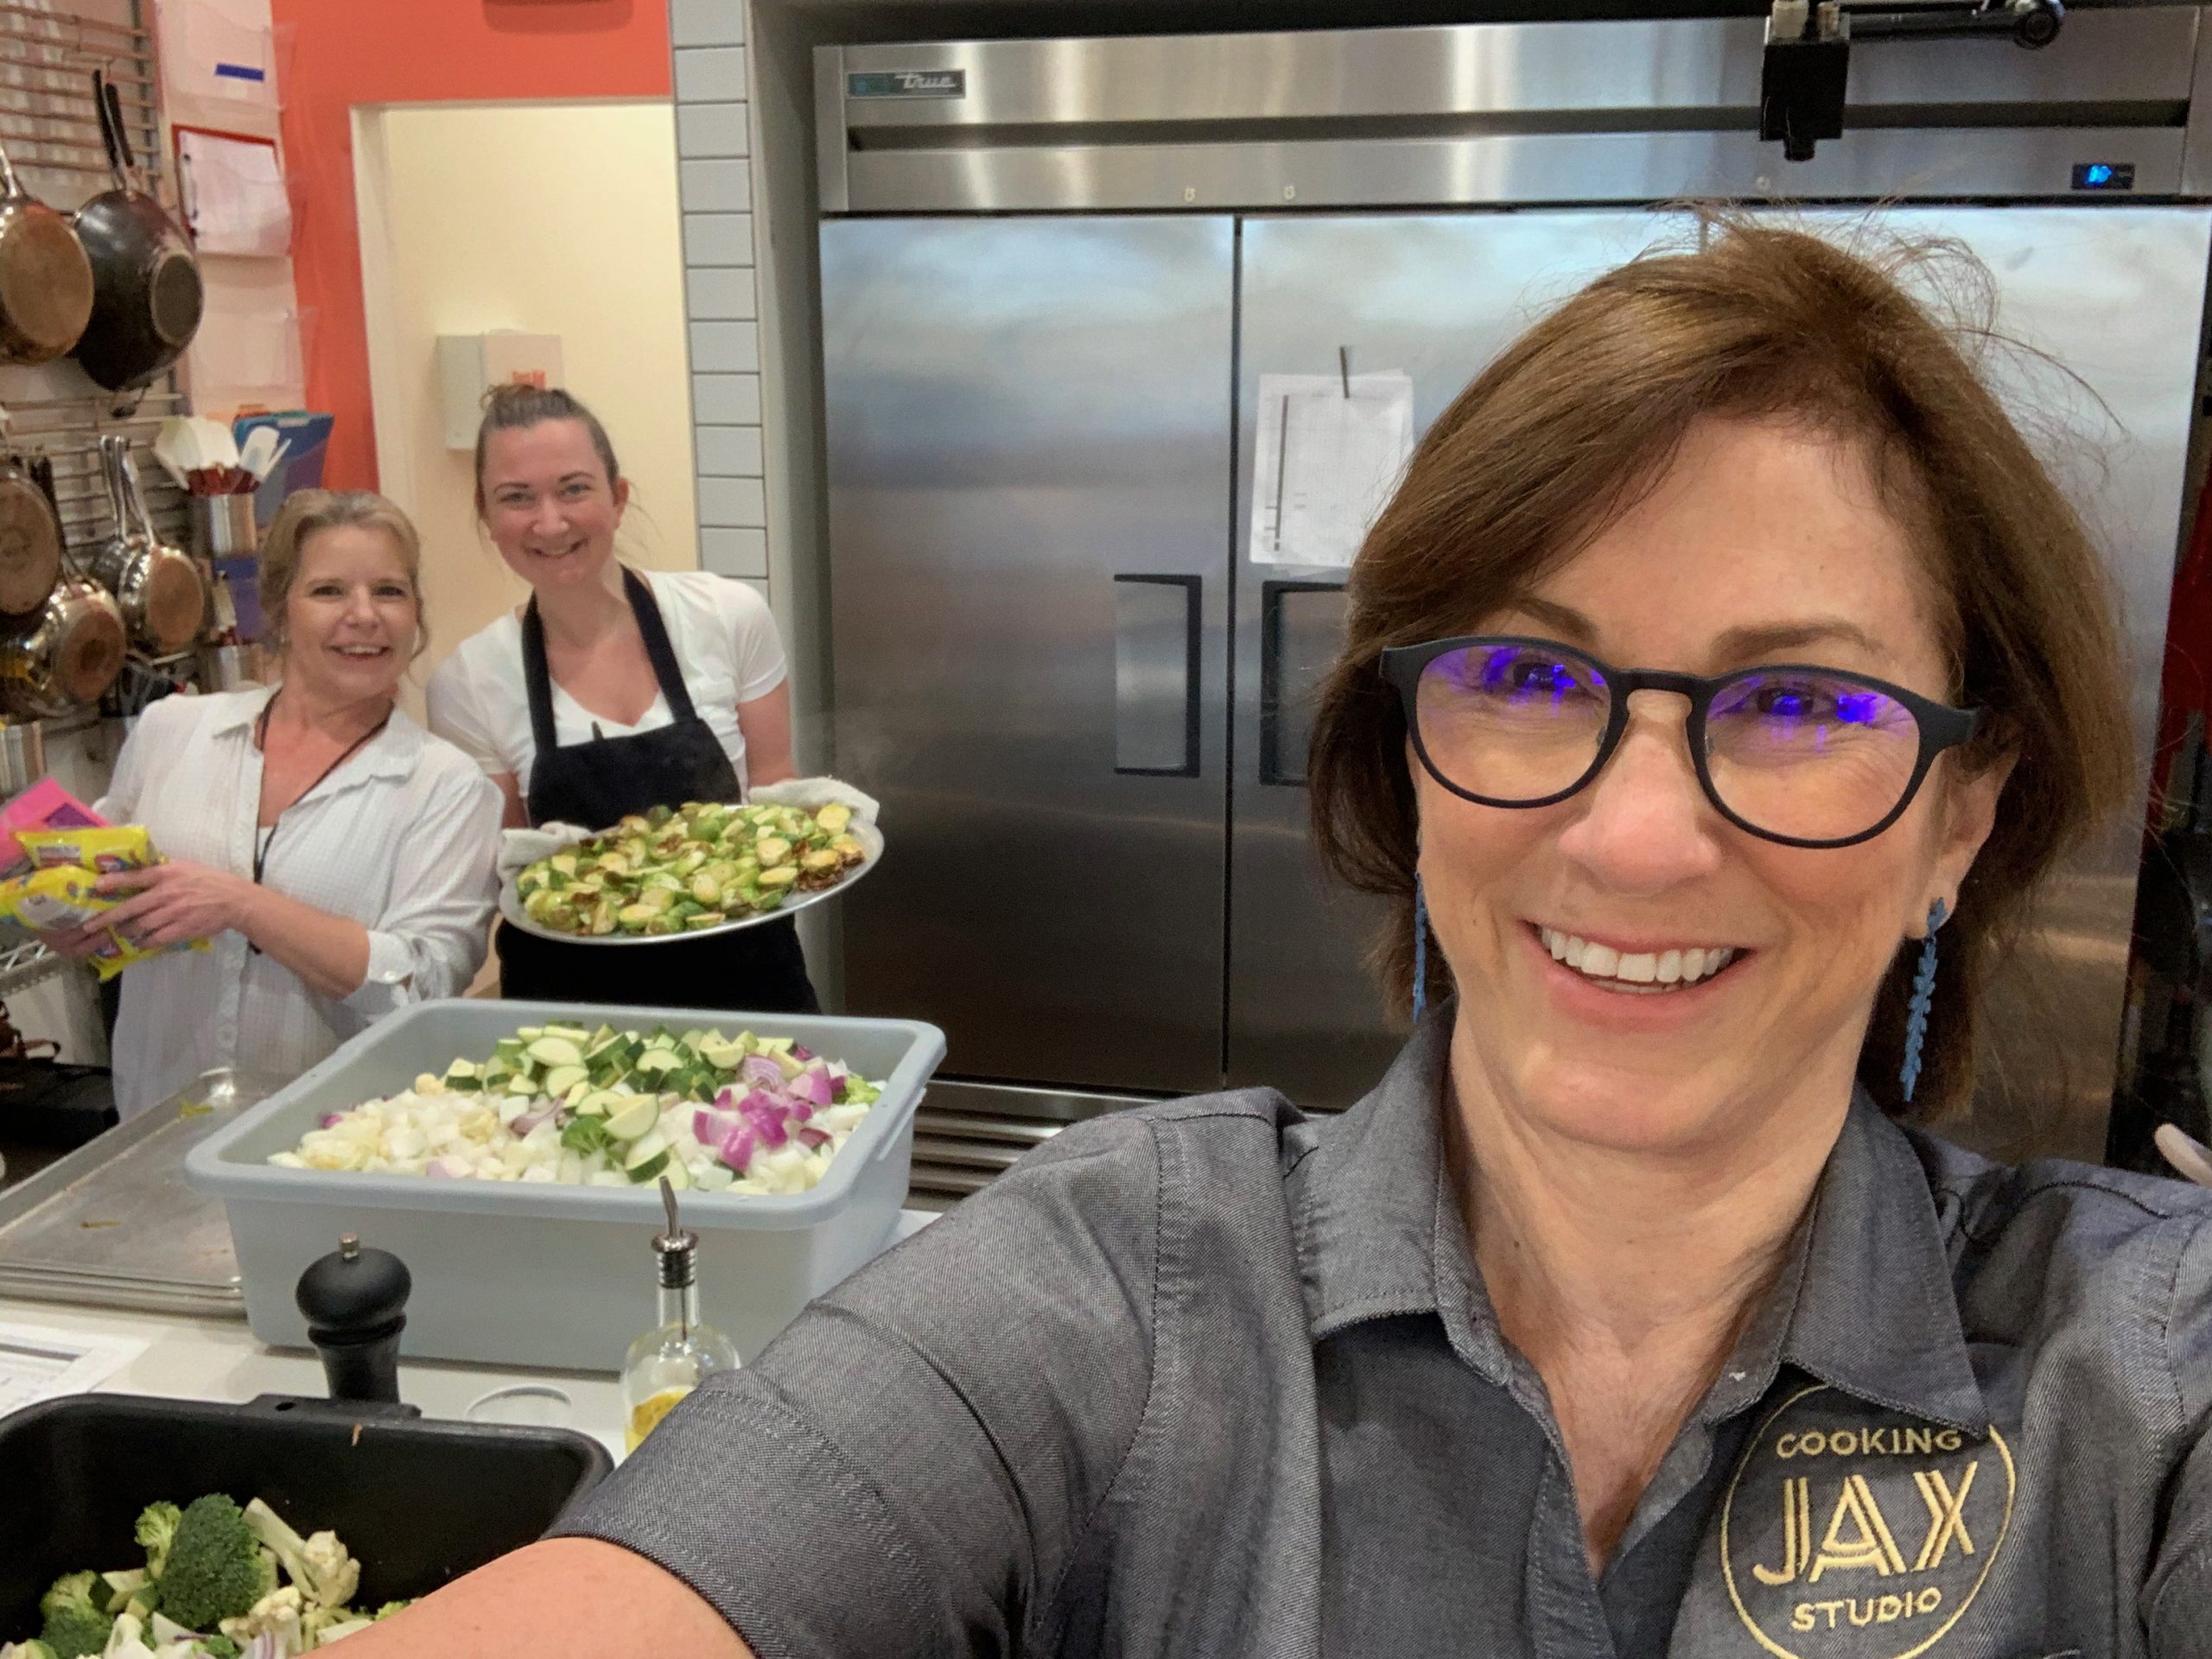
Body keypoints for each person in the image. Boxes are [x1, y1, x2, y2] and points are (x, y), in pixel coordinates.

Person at [342, 223, 2212, 1656]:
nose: (1635, 835)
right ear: (1404, 758)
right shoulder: (1107, 1294)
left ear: (1960, 818)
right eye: (1517, 673)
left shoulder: (2140, 1382)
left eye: (1800, 706)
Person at [48, 491, 500, 1119]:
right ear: (280, 611)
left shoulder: (444, 787)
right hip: (158, 1128)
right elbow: (112, 893)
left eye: (390, 592)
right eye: (330, 591)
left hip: (338, 1148)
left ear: (416, 615)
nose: (364, 615)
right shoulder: (172, 731)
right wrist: (72, 915)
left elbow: (422, 984)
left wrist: (242, 905)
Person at [425, 385, 814, 1013]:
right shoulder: (468, 681)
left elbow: (776, 792)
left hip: (749, 983)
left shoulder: (726, 617)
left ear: (618, 497)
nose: (550, 522)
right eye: (517, 498)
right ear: (487, 516)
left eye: (574, 488)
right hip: (574, 1009)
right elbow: (518, 872)